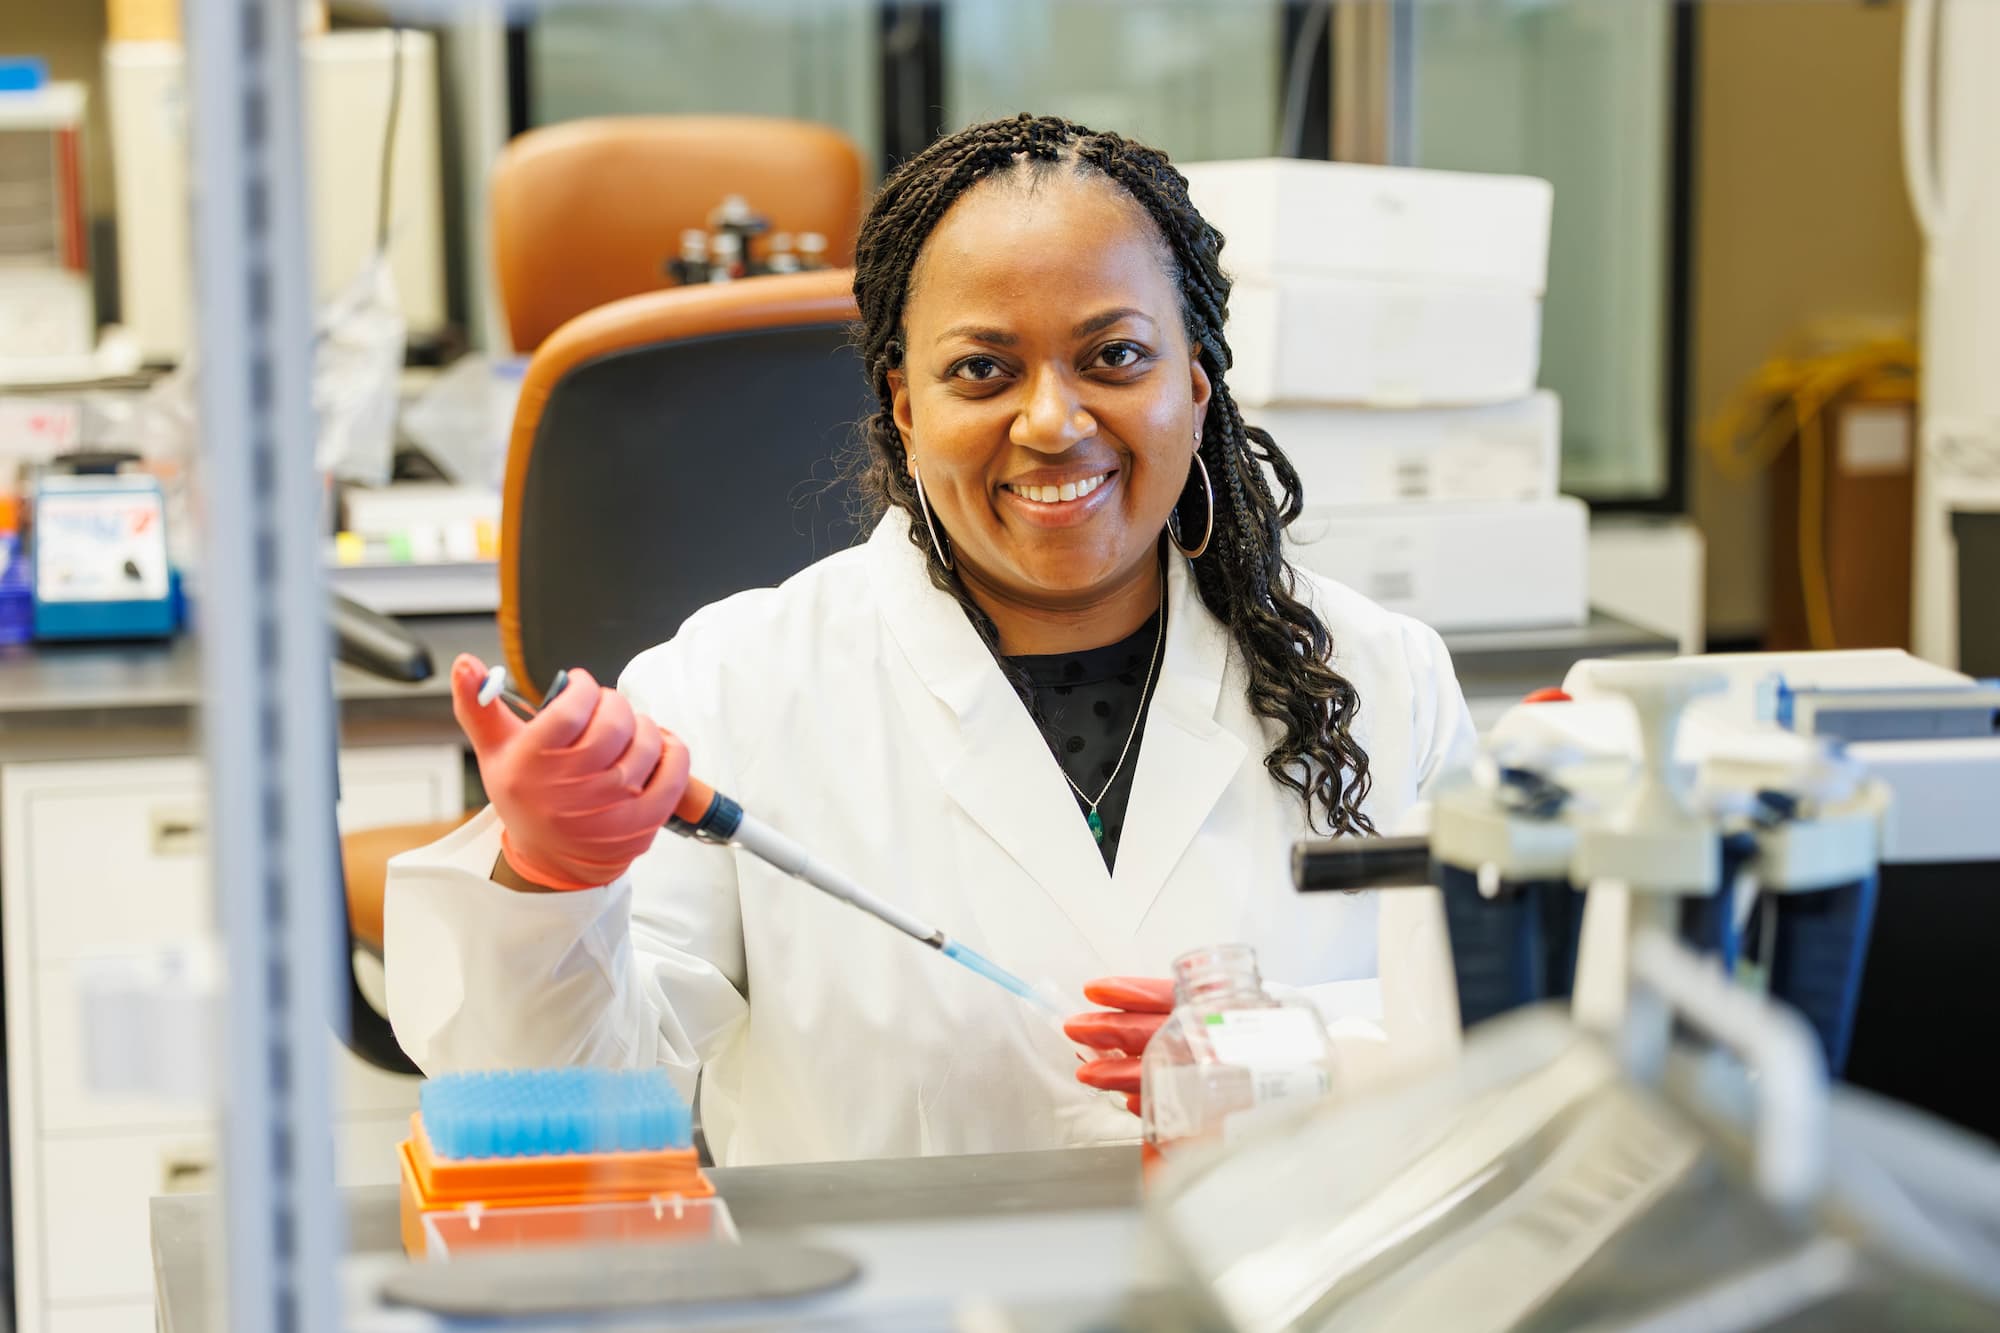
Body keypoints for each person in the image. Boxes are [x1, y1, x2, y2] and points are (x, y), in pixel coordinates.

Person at [386, 113, 1477, 1165]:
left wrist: (1278, 1054)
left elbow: (1508, 1052)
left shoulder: (1380, 677)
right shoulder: (729, 689)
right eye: (982, 371)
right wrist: (547, 884)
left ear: (1192, 387)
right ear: (903, 407)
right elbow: (567, 1110)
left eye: (1114, 355)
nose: (1052, 421)